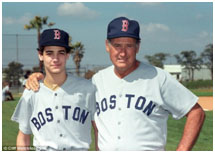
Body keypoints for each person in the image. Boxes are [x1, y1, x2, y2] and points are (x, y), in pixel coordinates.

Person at [25, 17, 205, 151]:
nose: (123, 52)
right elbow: (71, 96)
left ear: (138, 47)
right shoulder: (97, 80)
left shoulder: (158, 77)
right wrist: (37, 77)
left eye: (129, 45)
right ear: (107, 45)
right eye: (117, 45)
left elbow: (196, 112)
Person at [11, 28, 97, 151]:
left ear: (67, 55)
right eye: (49, 53)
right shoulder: (31, 92)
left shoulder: (87, 89)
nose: (55, 59)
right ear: (40, 55)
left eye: (61, 52)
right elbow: (23, 136)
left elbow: (99, 131)